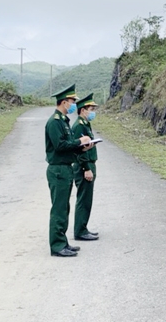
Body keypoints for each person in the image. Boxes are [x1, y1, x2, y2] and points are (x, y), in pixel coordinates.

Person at [45, 85, 92, 257]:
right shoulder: (55, 122)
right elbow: (60, 146)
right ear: (64, 102)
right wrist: (80, 141)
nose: (73, 105)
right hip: (58, 170)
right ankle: (57, 246)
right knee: (59, 209)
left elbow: (69, 146)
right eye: (72, 102)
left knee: (65, 207)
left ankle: (63, 242)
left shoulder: (63, 122)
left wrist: (83, 147)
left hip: (65, 169)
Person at [72, 93, 100, 241]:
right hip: (85, 166)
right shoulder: (78, 126)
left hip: (89, 163)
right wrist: (86, 168)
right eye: (91, 109)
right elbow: (79, 151)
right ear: (83, 110)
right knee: (83, 199)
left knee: (87, 199)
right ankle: (80, 231)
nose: (93, 112)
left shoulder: (85, 124)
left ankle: (83, 228)